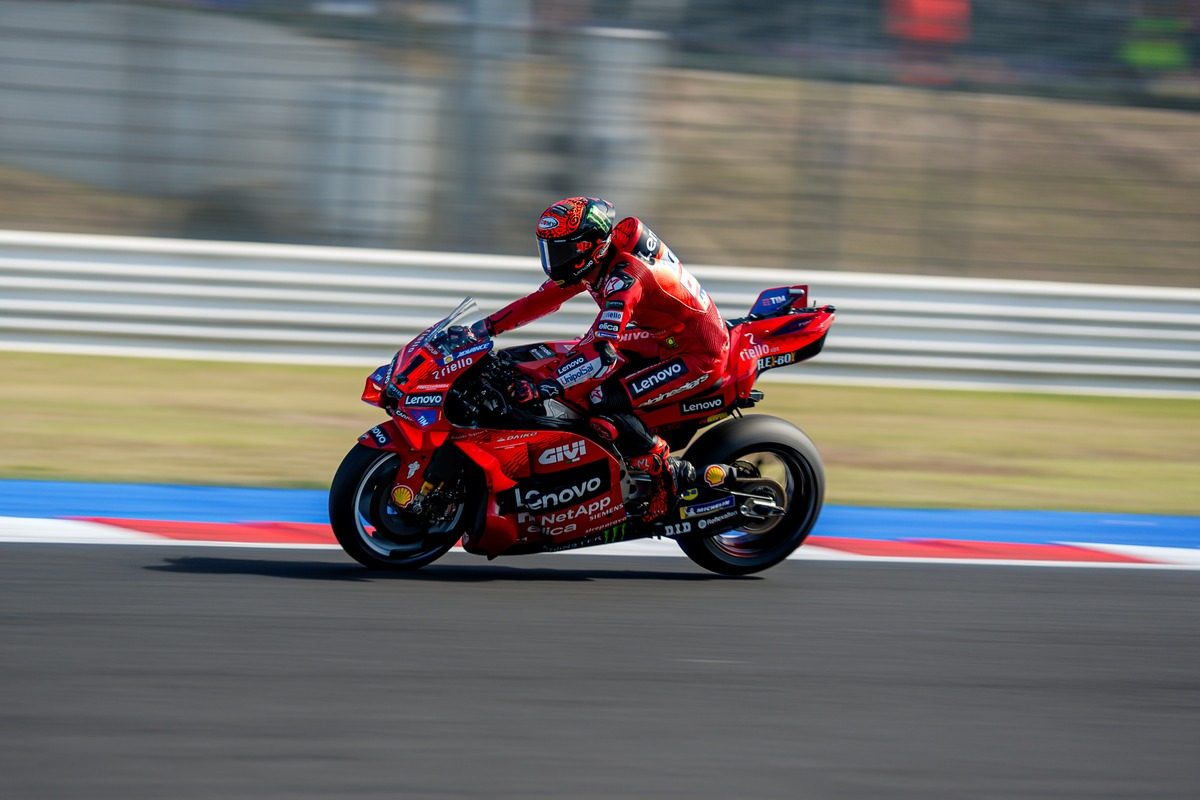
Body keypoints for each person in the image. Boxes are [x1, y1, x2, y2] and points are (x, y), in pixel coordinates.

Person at [471, 196, 729, 522]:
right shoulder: (595, 261)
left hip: (697, 354)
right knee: (554, 357)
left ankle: (663, 471)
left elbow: (604, 351)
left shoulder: (625, 277)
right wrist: (484, 328)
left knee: (598, 396)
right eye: (549, 249)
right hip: (659, 337)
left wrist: (549, 386)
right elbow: (540, 301)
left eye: (562, 250)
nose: (553, 260)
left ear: (588, 246)